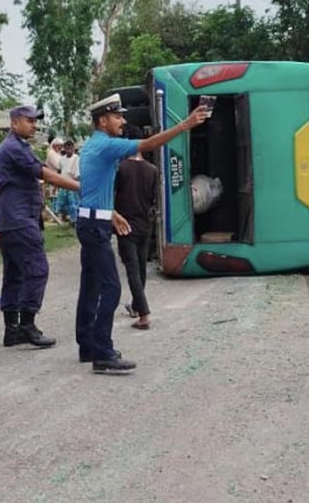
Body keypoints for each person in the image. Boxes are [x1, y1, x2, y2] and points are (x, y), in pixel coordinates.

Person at [76, 94, 209, 374]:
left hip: (90, 221)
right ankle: (102, 352)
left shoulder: (92, 146)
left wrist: (111, 213)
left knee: (91, 285)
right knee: (111, 287)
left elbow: (92, 190)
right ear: (103, 121)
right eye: (117, 116)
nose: (123, 121)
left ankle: (87, 345)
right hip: (94, 226)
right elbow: (148, 144)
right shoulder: (106, 145)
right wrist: (185, 125)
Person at [0, 105, 80, 349]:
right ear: (14, 123)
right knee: (37, 269)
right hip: (19, 219)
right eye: (29, 121)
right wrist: (80, 187)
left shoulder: (14, 146)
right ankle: (27, 325)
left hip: (10, 219)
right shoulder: (14, 148)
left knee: (14, 274)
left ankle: (11, 329)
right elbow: (48, 175)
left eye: (35, 121)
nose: (34, 125)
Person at [114, 127, 158, 330]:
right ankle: (136, 305)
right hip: (145, 225)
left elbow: (113, 197)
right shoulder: (152, 170)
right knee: (140, 268)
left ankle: (143, 314)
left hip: (125, 224)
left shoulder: (120, 169)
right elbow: (154, 199)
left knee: (132, 269)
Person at [52, 140, 81, 223]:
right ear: (64, 149)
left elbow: (78, 175)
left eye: (70, 148)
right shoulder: (62, 159)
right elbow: (59, 172)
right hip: (63, 184)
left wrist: (76, 186)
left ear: (73, 148)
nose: (69, 150)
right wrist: (56, 185)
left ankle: (74, 220)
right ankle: (65, 217)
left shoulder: (76, 159)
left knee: (73, 203)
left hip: (72, 183)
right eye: (67, 148)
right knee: (62, 203)